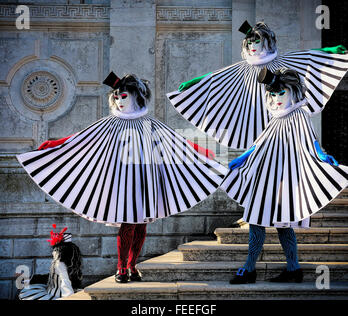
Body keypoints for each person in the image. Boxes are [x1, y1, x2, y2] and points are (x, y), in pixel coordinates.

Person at [16, 72, 228, 283]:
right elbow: (82, 138)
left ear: (136, 96)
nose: (119, 101)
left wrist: (201, 150)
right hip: (123, 182)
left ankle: (132, 265)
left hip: (146, 180)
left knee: (141, 225)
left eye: (123, 96)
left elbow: (175, 140)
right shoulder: (111, 123)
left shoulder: (149, 123)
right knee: (128, 223)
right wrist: (56, 144)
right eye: (116, 97)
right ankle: (121, 268)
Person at [220, 67, 348, 283]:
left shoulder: (299, 114)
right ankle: (271, 268)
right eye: (273, 94)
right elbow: (260, 143)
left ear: (292, 92)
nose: (277, 98)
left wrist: (322, 156)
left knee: (280, 224)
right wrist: (242, 158)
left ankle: (280, 269)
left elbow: (311, 141)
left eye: (282, 93)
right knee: (257, 220)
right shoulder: (275, 118)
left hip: (284, 179)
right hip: (265, 176)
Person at [166, 20, 348, 150]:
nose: (253, 45)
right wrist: (194, 83)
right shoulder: (240, 69)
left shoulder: (284, 63)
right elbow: (215, 78)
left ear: (266, 42)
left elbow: (307, 57)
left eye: (257, 41)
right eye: (250, 42)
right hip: (252, 107)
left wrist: (330, 52)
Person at [18, 224, 82, 299]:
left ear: (61, 252)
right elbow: (51, 276)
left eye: (55, 250)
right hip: (49, 291)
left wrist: (68, 298)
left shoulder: (60, 264)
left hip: (57, 295)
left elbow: (65, 281)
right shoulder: (62, 262)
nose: (53, 252)